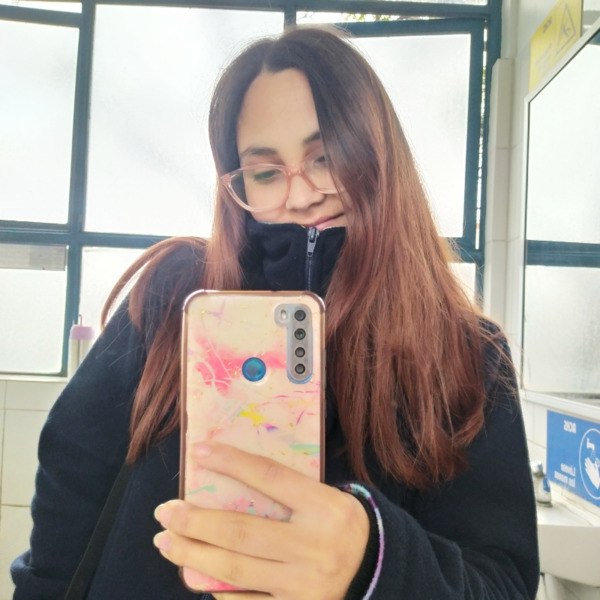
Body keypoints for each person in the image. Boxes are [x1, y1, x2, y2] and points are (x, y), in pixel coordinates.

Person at [11, 25, 539, 600]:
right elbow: (72, 477)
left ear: (378, 153)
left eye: (326, 156)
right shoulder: (175, 294)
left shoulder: (468, 354)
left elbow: (501, 582)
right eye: (265, 172)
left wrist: (372, 565)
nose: (301, 193)